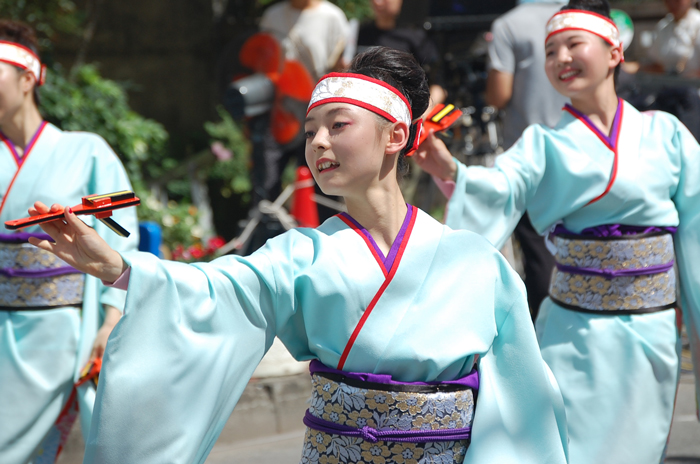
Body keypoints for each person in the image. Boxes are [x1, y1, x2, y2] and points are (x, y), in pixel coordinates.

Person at [29, 47, 568, 464]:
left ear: (395, 135)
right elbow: (212, 293)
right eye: (311, 132)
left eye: (338, 125)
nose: (319, 144)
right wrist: (121, 269)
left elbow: (522, 397)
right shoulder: (299, 254)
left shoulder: (475, 262)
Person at [416, 0, 700, 462]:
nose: (560, 59)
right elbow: (498, 187)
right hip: (573, 332)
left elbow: (696, 239)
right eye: (550, 51)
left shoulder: (667, 134)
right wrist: (451, 169)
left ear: (614, 52)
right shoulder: (542, 142)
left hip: (652, 332)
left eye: (573, 44)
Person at [0, 20, 139, 464]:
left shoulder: (88, 150)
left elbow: (123, 238)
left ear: (28, 78)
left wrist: (111, 319)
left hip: (68, 330)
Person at [485, 0, 567, 318]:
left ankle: (544, 338)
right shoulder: (573, 15)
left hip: (529, 154)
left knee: (538, 255)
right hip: (584, 146)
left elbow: (499, 95)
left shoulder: (508, 25)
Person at [357, 0, 446, 108]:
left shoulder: (415, 37)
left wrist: (425, 112)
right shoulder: (359, 33)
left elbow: (438, 84)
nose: (378, 2)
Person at [647, 0, 700, 76]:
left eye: (677, 0)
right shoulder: (662, 26)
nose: (672, 4)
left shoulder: (697, 23)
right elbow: (656, 66)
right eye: (668, 0)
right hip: (665, 85)